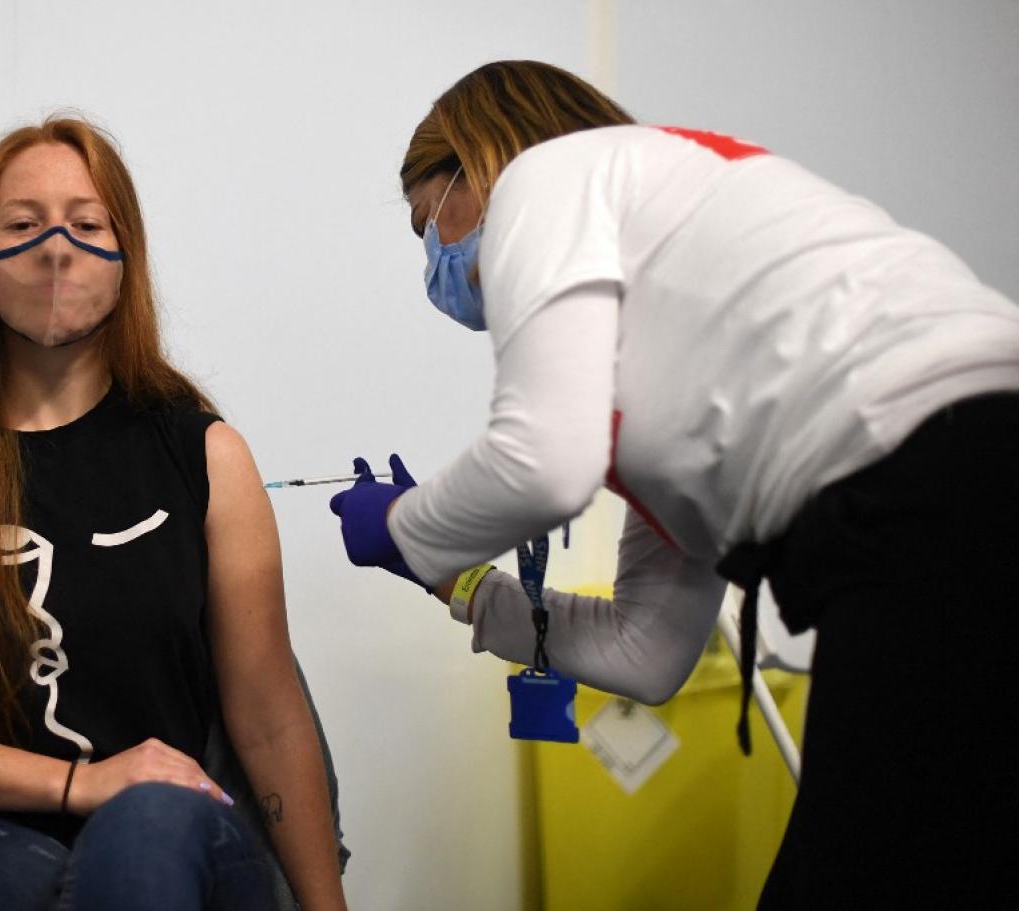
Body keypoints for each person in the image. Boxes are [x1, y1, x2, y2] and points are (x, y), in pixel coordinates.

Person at [329, 60, 1019, 908]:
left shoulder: (547, 176)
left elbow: (542, 461)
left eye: (427, 222)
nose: (434, 259)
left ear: (476, 164)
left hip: (951, 478)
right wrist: (456, 581)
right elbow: (647, 649)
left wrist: (404, 523)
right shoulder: (671, 363)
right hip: (940, 499)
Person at [0, 116, 348, 911]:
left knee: (145, 828)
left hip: (167, 832)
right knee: (12, 879)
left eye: (87, 225)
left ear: (127, 258)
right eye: (23, 225)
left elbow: (269, 717)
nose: (56, 250)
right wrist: (78, 783)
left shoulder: (205, 455)